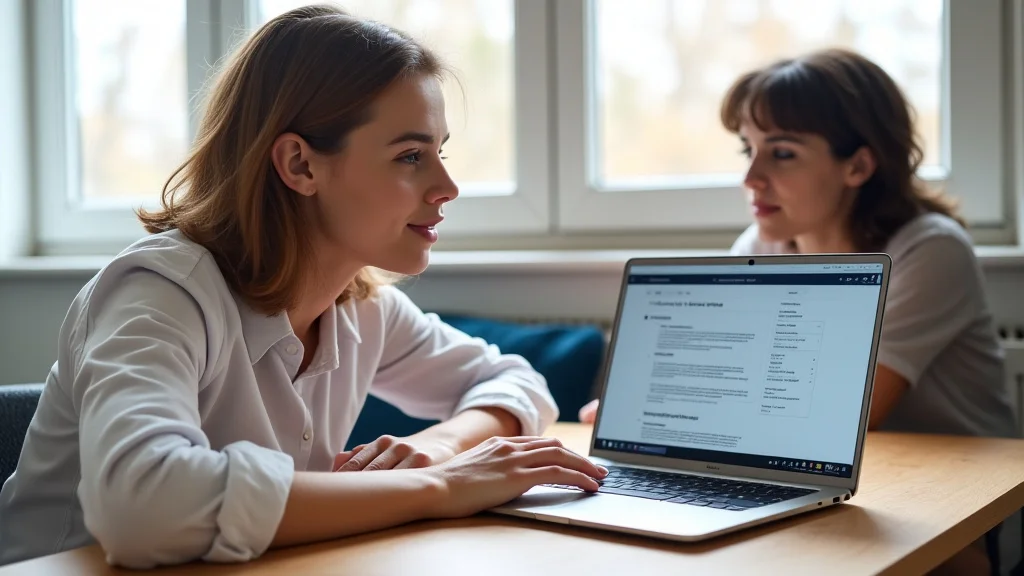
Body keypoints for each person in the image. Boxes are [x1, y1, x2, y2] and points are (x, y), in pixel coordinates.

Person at [0, 5, 606, 569]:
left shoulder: (362, 308)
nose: (448, 186)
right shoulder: (159, 293)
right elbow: (144, 505)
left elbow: (516, 381)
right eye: (410, 156)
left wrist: (439, 451)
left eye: (440, 152)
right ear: (300, 165)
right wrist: (440, 487)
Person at [577, 48, 1016, 573]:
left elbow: (845, 416)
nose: (752, 177)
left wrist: (678, 416)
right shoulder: (763, 245)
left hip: (951, 499)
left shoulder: (930, 249)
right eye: (748, 150)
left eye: (781, 153)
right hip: (822, 479)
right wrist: (650, 412)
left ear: (857, 165)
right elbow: (736, 388)